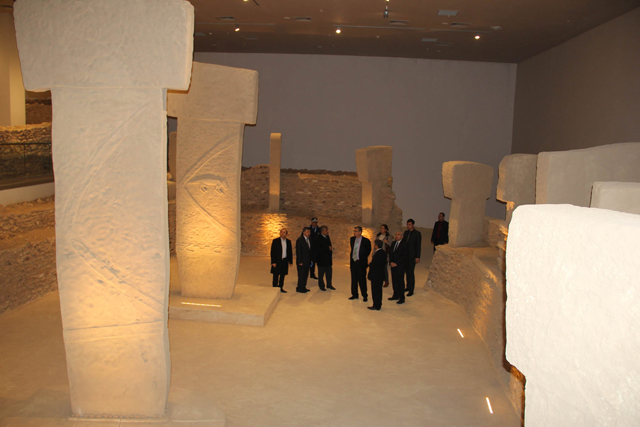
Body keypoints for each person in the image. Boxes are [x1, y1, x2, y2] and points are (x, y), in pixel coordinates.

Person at [349, 226, 371, 301]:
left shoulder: (366, 241)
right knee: (354, 279)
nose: (354, 232)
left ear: (360, 232)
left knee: (362, 280)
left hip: (361, 263)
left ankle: (364, 295)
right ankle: (354, 294)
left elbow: (368, 251)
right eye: (354, 231)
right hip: (353, 262)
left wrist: (362, 257)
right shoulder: (352, 239)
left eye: (356, 231)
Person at [402, 218, 421, 297]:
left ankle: (411, 290)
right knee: (406, 272)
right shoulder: (406, 232)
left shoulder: (417, 233)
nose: (408, 226)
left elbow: (418, 246)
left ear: (413, 225)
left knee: (410, 273)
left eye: (409, 225)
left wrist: (417, 257)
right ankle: (407, 286)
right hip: (405, 256)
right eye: (407, 224)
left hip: (412, 256)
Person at [270, 228, 293, 293]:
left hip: (284, 260)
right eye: (281, 232)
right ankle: (274, 288)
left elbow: (289, 252)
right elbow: (272, 252)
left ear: (286, 234)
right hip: (277, 261)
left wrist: (290, 261)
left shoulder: (288, 242)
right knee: (276, 275)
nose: (282, 233)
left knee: (283, 275)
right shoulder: (275, 241)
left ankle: (280, 287)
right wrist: (273, 262)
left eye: (284, 232)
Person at [367, 239, 387, 311]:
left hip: (375, 275)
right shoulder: (384, 253)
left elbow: (375, 264)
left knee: (375, 290)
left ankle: (376, 305)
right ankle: (378, 304)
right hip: (381, 274)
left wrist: (370, 264)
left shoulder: (377, 254)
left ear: (376, 245)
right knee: (379, 290)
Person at [388, 230, 406, 304]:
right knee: (394, 280)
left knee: (400, 281)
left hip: (400, 266)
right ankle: (395, 295)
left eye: (398, 234)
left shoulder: (404, 244)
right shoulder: (393, 243)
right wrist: (391, 262)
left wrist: (397, 263)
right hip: (393, 265)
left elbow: (404, 255)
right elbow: (391, 254)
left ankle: (402, 297)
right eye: (396, 234)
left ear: (402, 236)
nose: (396, 236)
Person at [315, 225, 335, 291]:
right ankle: (321, 286)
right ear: (322, 231)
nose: (327, 232)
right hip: (321, 260)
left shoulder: (327, 237)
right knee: (321, 274)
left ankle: (329, 284)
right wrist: (327, 248)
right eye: (326, 230)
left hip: (328, 259)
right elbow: (318, 249)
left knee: (329, 273)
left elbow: (329, 245)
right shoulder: (318, 238)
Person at [296, 227, 312, 293]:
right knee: (301, 275)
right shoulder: (300, 240)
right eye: (307, 232)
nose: (309, 233)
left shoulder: (309, 239)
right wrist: (300, 261)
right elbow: (298, 251)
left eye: (309, 232)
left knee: (305, 275)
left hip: (307, 261)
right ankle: (300, 288)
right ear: (303, 232)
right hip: (302, 261)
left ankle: (303, 287)